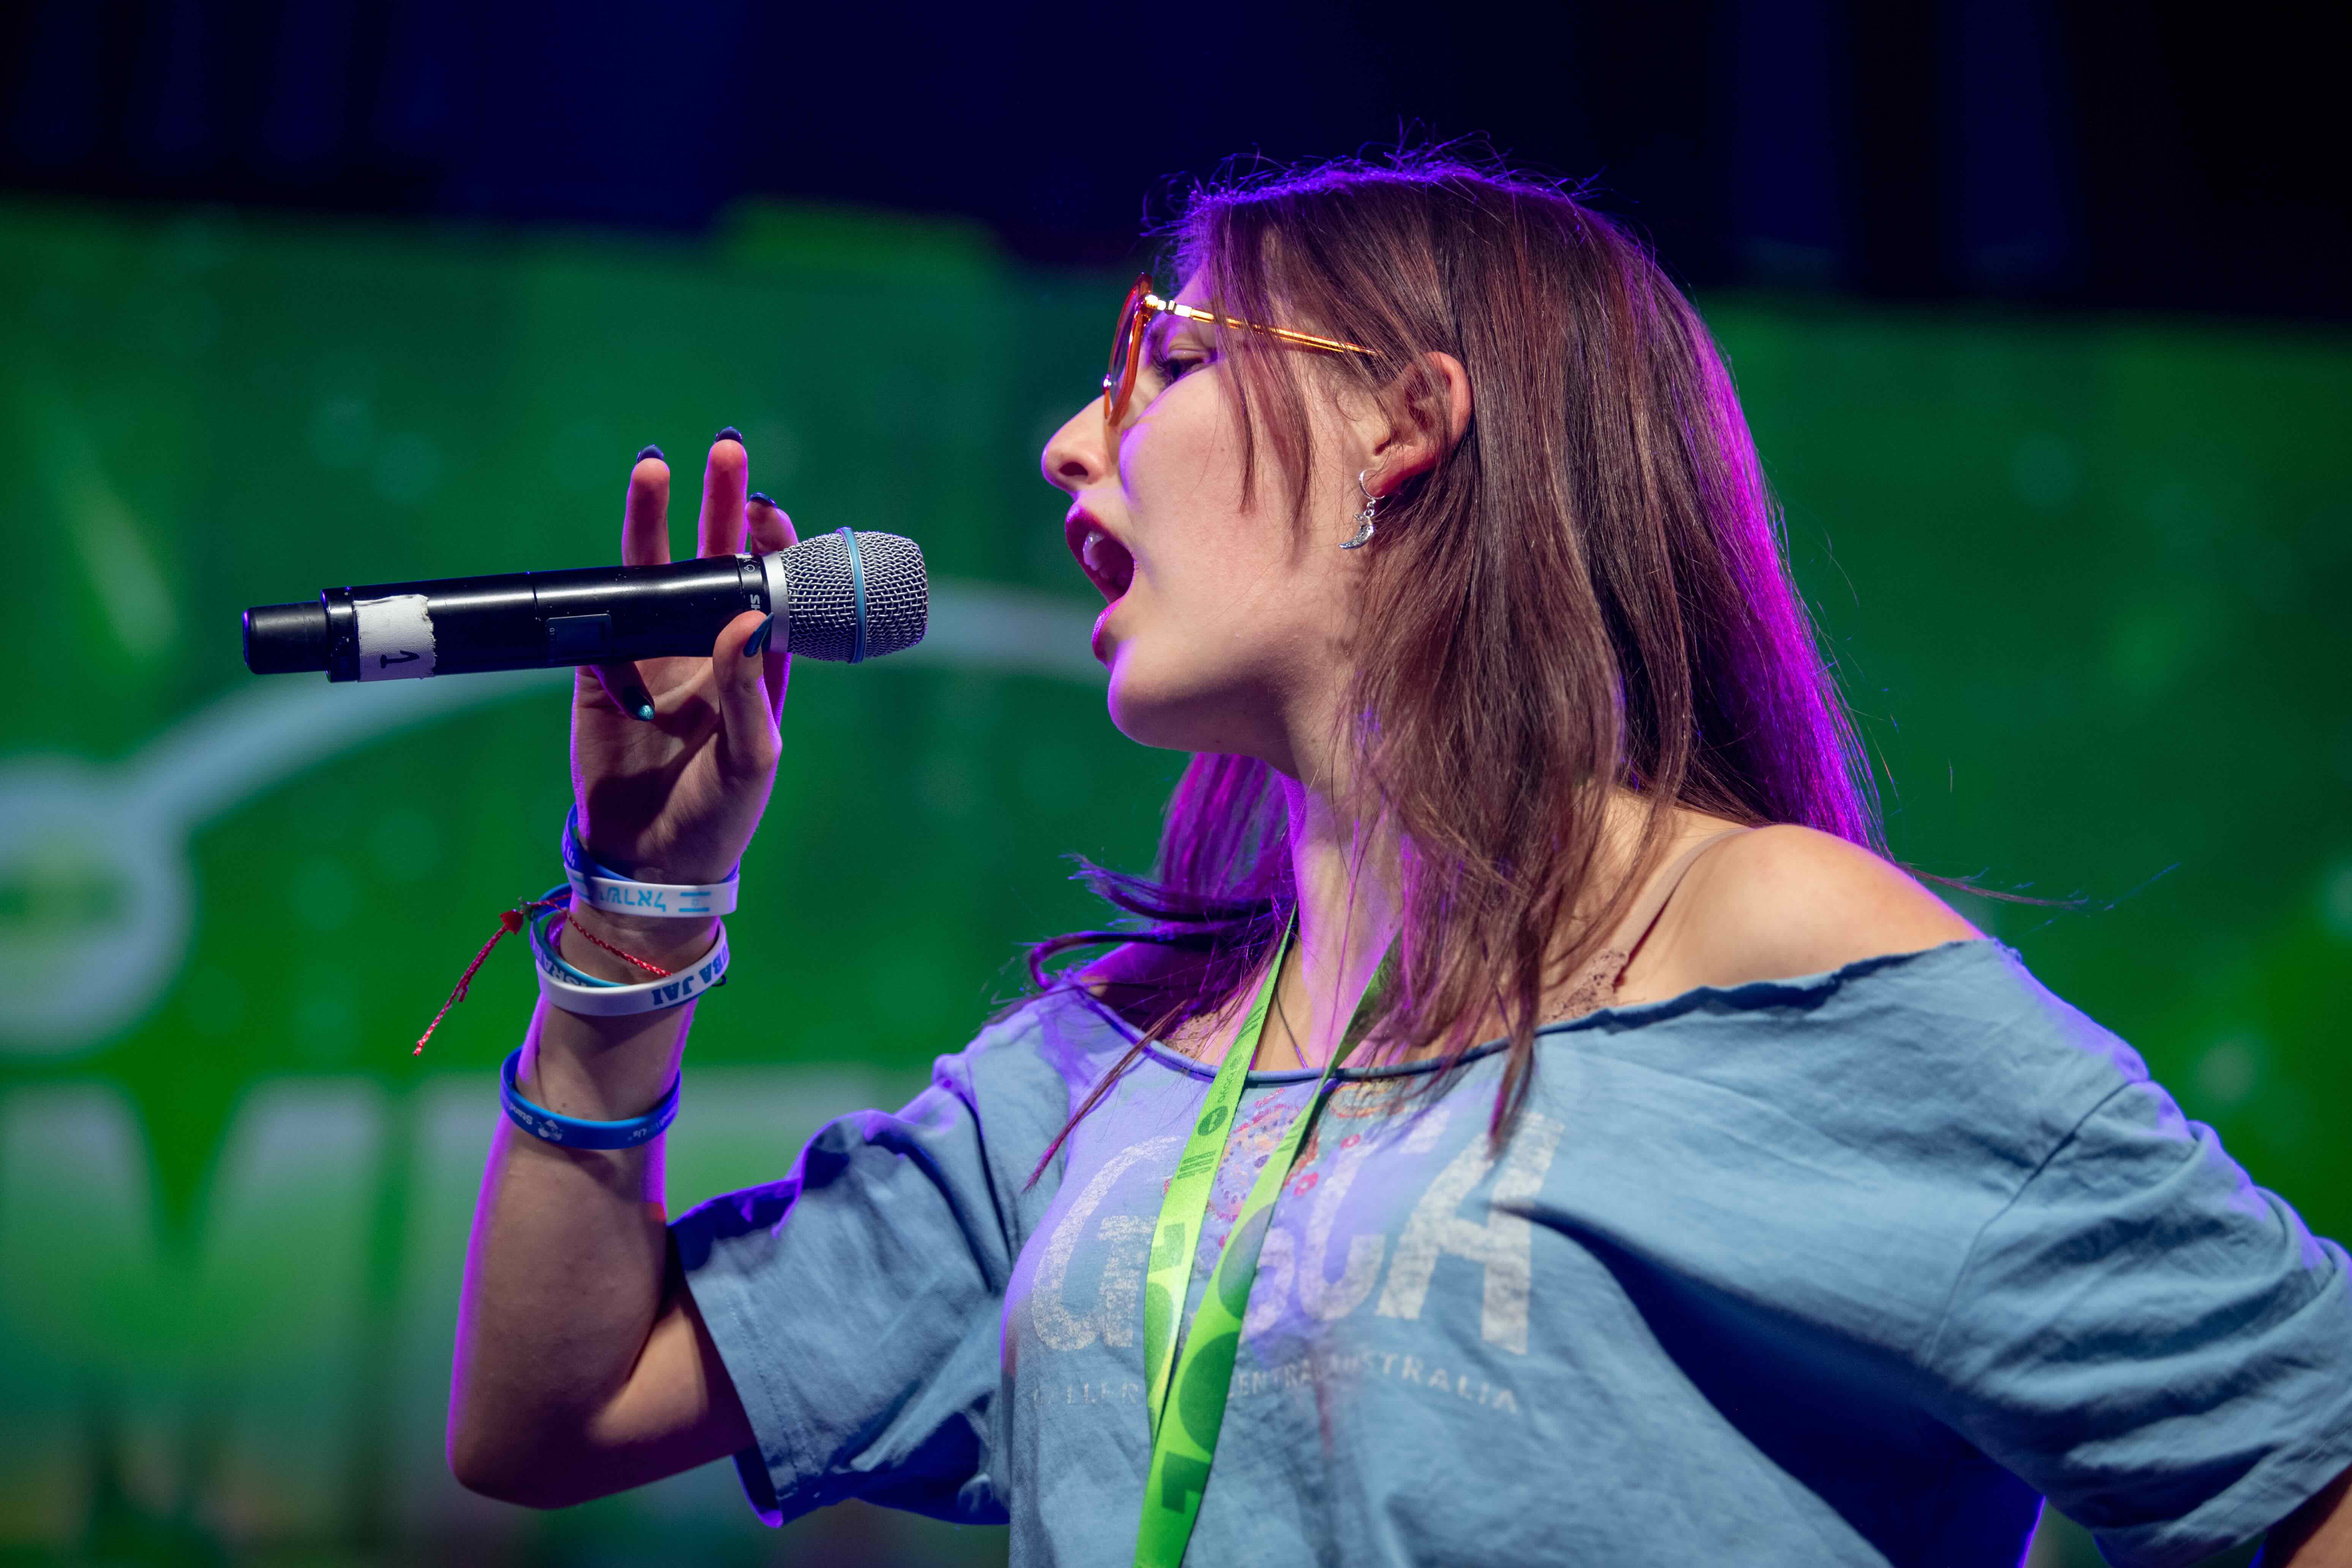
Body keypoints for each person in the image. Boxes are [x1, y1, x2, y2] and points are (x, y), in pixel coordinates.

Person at [445, 154, 2352, 1565]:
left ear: (1406, 426)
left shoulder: (1769, 947)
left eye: (1164, 359)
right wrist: (641, 902)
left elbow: (2307, 1449)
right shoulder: (1114, 1069)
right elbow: (556, 1408)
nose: (1064, 443)